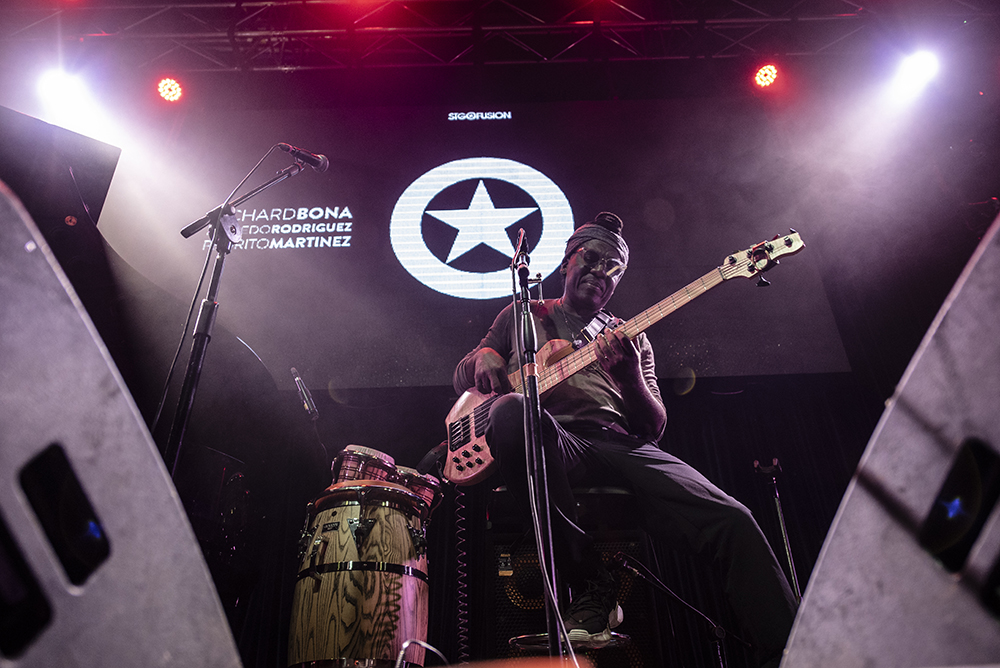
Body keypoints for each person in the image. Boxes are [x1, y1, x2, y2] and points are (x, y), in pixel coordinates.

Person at [452, 212, 798, 667]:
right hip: (554, 440)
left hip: (621, 445)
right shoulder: (522, 315)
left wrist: (630, 377)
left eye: (613, 268)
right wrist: (487, 354)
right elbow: (462, 378)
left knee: (733, 519)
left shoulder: (630, 338)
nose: (601, 272)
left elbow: (653, 428)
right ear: (566, 263)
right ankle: (594, 583)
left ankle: (794, 652)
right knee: (510, 408)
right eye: (591, 260)